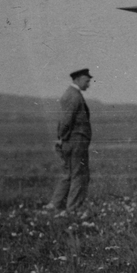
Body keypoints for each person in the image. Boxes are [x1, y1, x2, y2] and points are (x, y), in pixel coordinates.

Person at [46, 68, 93, 211]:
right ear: (77, 79)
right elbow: (66, 120)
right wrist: (62, 138)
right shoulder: (74, 96)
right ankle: (73, 209)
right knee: (80, 175)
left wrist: (62, 138)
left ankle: (54, 205)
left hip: (71, 141)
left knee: (68, 174)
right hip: (76, 142)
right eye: (86, 81)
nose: (88, 84)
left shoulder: (72, 94)